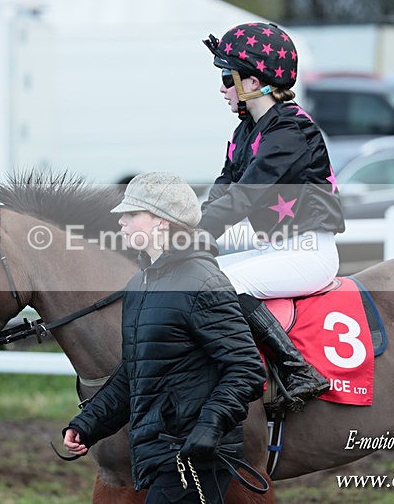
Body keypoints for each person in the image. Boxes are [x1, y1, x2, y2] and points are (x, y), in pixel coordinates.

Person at [63, 172, 266, 503]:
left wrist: (209, 427)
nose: (121, 222)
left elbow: (246, 368)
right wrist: (89, 423)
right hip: (160, 453)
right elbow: (134, 372)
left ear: (161, 221)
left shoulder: (201, 281)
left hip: (194, 456)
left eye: (131, 215)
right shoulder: (140, 284)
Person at [201, 22, 346, 411]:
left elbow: (245, 197)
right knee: (200, 276)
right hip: (277, 250)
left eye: (226, 78)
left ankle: (298, 370)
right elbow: (224, 188)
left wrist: (195, 236)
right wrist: (186, 230)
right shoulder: (247, 129)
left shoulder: (290, 130)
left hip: (309, 254)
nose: (222, 88)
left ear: (252, 81)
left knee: (217, 286)